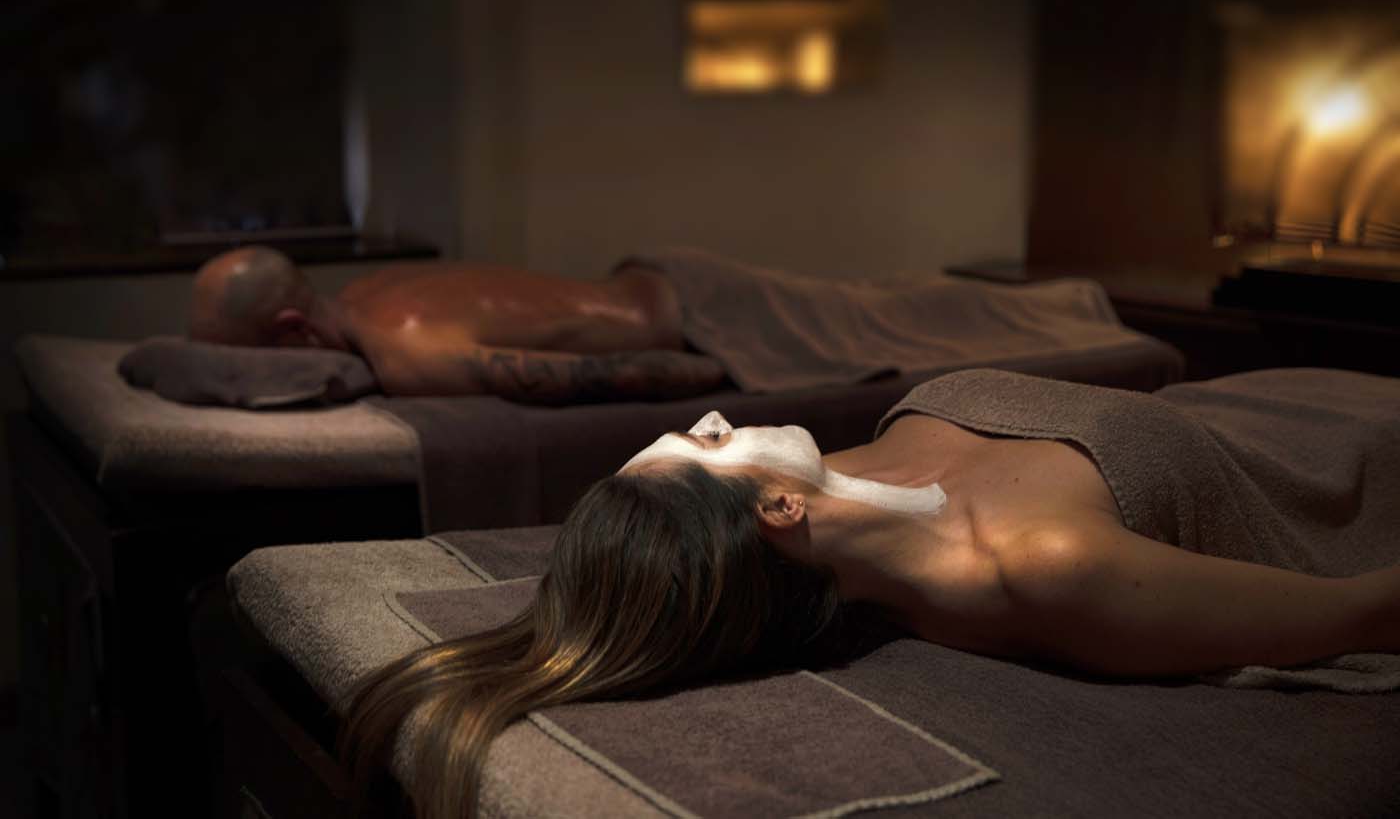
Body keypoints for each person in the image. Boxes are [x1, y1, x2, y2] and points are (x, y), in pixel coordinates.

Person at [339, 367, 1400, 819]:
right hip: (1347, 459)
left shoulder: (830, 490)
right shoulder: (1035, 566)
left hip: (1254, 393)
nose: (713, 419)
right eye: (704, 443)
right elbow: (1359, 612)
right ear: (776, 512)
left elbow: (672, 551)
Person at [187, 246, 727, 402]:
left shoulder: (407, 353)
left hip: (707, 318)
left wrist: (731, 373)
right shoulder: (367, 290)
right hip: (660, 273)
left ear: (291, 329)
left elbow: (626, 374)